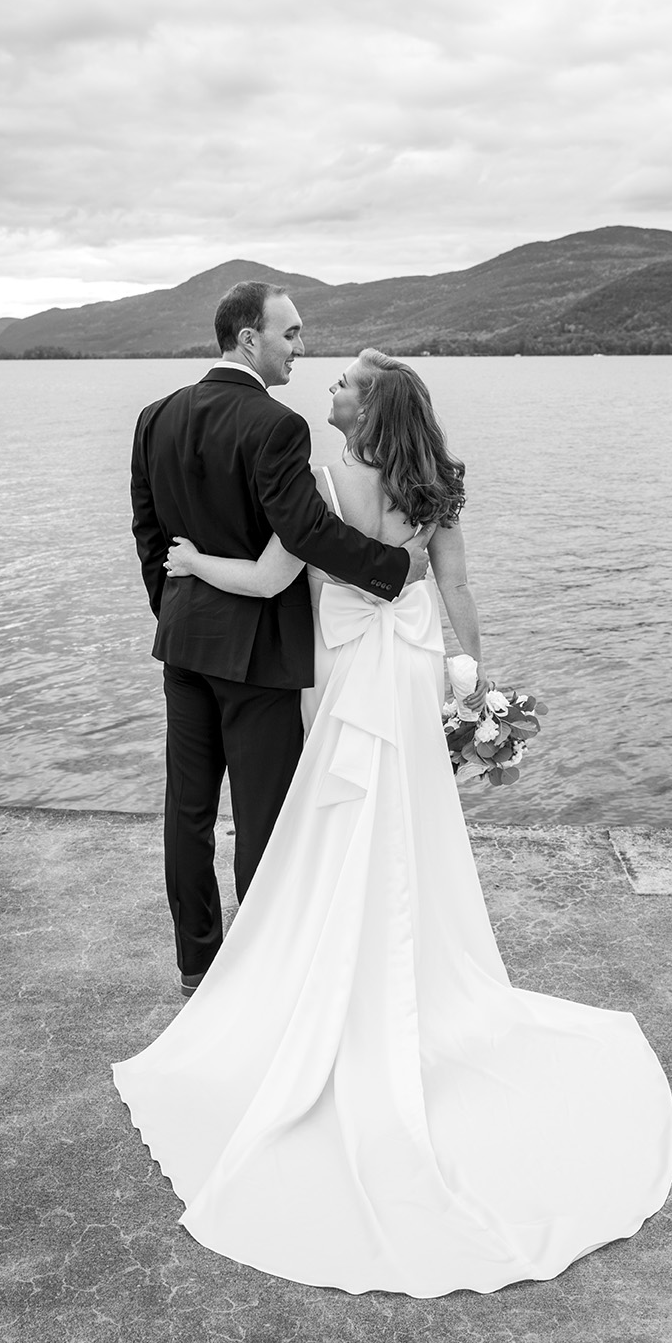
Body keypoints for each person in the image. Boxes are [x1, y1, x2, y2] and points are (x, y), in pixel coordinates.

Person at [114, 350, 672, 1298]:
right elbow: (454, 592)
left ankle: (311, 978)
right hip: (412, 674)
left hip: (343, 681)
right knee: (411, 827)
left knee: (328, 823)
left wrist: (189, 560)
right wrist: (476, 682)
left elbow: (265, 582)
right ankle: (410, 978)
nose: (327, 387)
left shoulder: (322, 482)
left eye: (344, 382)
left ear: (368, 405)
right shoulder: (434, 485)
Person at [130, 285, 433, 998]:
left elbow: (148, 534)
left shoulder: (154, 417)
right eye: (290, 334)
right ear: (248, 340)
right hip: (259, 653)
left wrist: (174, 613)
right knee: (265, 813)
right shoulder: (276, 425)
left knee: (189, 809)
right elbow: (304, 532)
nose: (300, 347)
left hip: (184, 644)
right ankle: (262, 971)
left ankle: (197, 963)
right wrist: (393, 569)